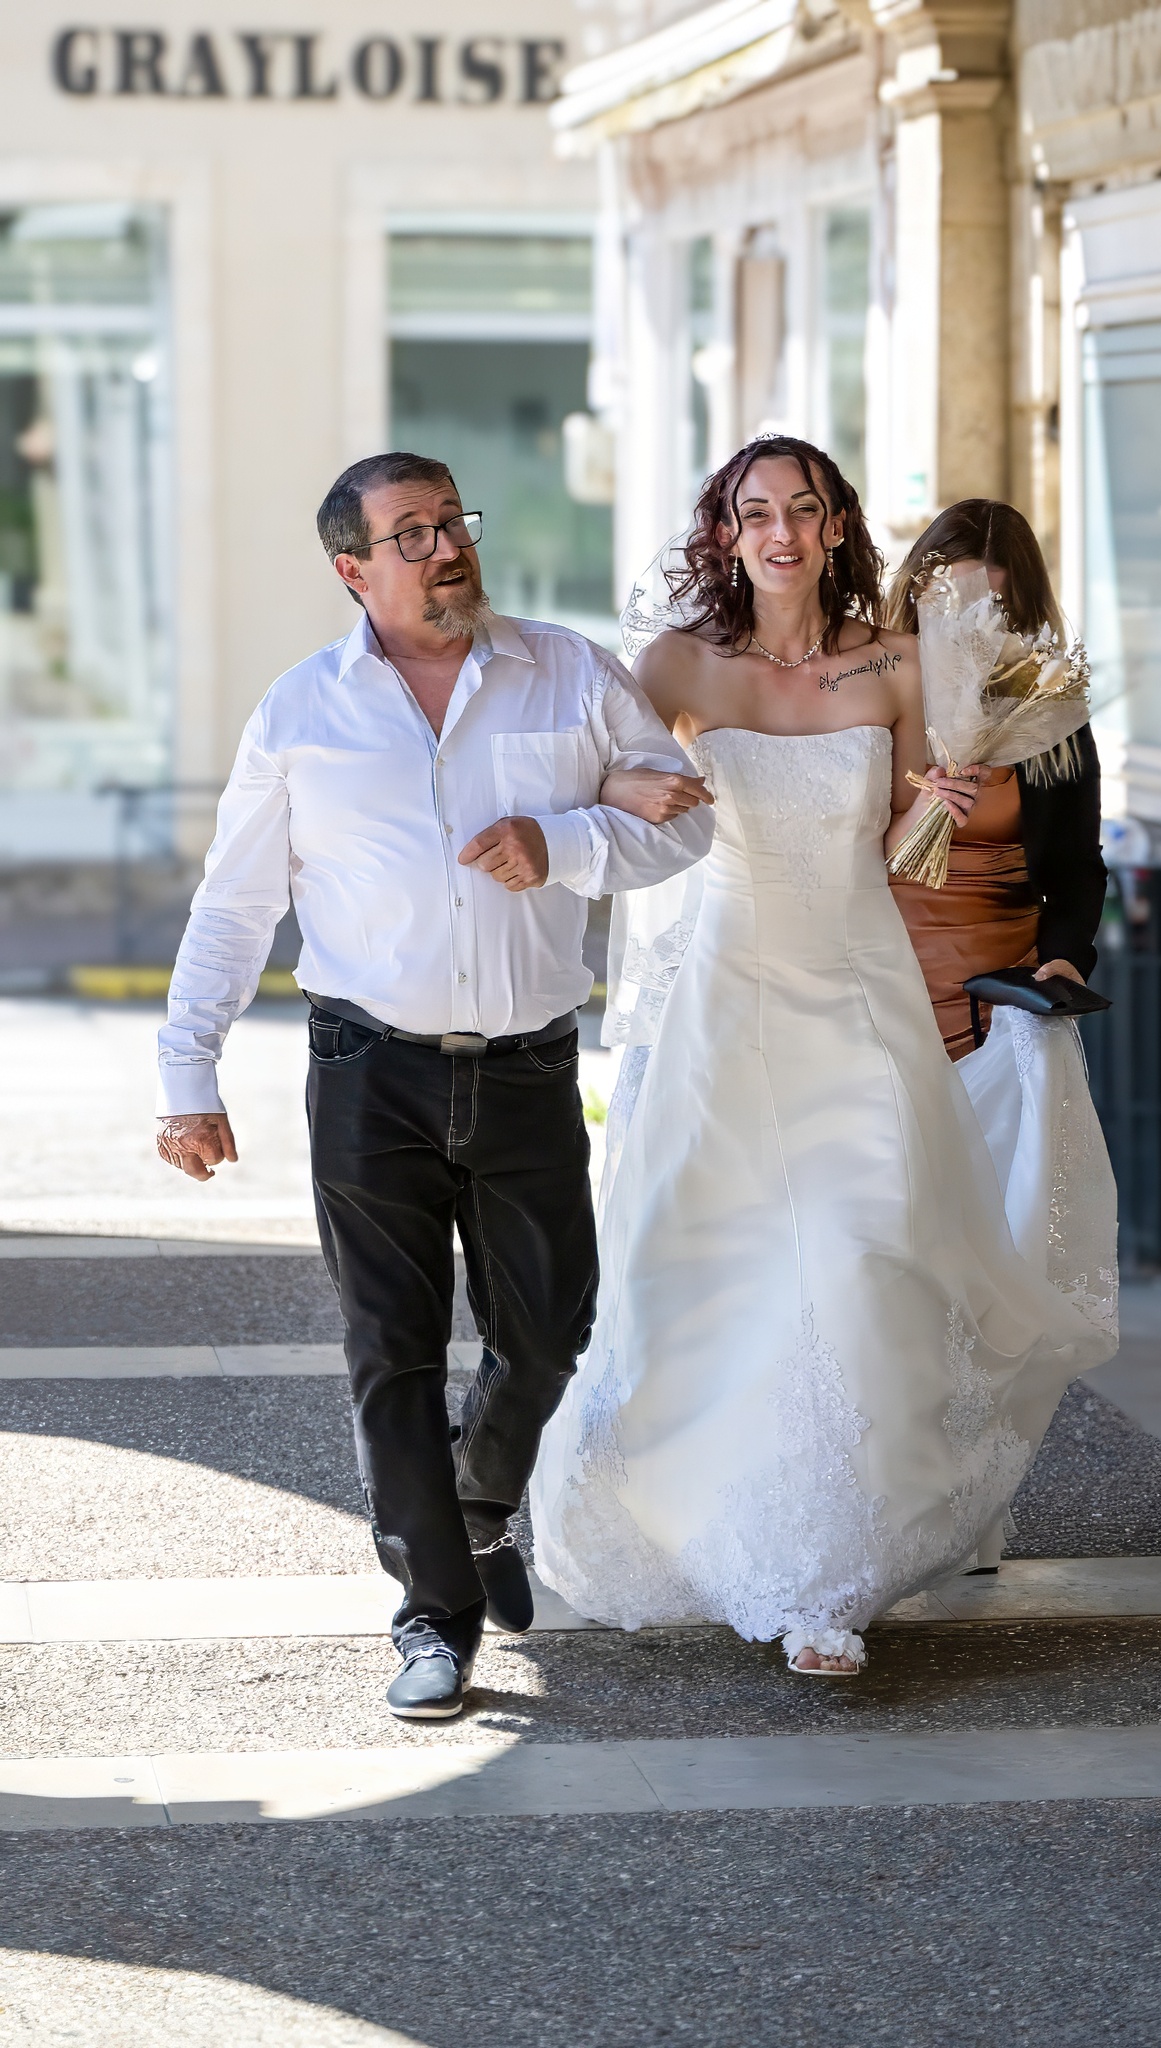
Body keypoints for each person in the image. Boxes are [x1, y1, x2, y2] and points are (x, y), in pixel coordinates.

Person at [531, 435, 1117, 1677]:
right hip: (728, 998)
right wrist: (615, 807)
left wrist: (928, 814)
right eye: (757, 512)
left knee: (859, 1258)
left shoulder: (904, 662)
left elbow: (902, 856)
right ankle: (726, 1528)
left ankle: (826, 1579)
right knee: (717, 1269)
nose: (782, 531)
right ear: (728, 531)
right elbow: (616, 811)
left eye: (805, 508)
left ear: (841, 524)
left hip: (860, 993)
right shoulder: (677, 664)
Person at [154, 452, 714, 1720]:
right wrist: (188, 1069)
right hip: (367, 1070)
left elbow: (687, 820)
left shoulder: (569, 670)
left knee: (547, 1328)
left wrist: (563, 840)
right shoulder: (300, 710)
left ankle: (478, 1497)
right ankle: (432, 1612)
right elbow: (237, 903)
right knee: (390, 1352)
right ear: (353, 569)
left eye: (451, 520)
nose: (447, 545)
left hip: (525, 1068)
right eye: (411, 533)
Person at [884, 499, 1108, 1060]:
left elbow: (1077, 864)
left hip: (1002, 993)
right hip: (879, 978)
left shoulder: (1049, 713)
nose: (970, 628)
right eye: (951, 605)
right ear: (917, 595)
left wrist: (1066, 959)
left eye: (993, 609)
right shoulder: (871, 687)